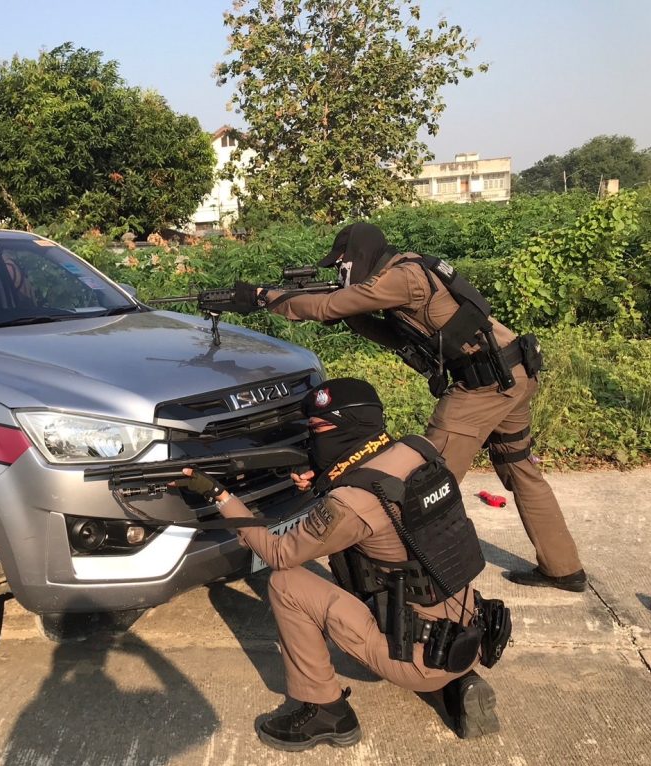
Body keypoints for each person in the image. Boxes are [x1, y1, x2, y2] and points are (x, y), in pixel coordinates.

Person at [234, 222, 586, 592]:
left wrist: (263, 297)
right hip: (513, 374)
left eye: (341, 265)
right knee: (519, 467)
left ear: (359, 257)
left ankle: (409, 582)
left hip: (485, 384)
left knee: (424, 479)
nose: (340, 274)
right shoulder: (407, 269)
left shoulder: (402, 278)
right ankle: (563, 568)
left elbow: (327, 306)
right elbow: (392, 336)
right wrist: (351, 317)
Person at [175, 378, 510, 751]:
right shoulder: (418, 450)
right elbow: (367, 488)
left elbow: (278, 553)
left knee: (286, 584)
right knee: (390, 570)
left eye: (318, 429)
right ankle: (456, 680)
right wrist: (326, 479)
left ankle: (326, 710)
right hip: (467, 631)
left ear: (349, 425)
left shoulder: (353, 501)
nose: (313, 439)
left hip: (414, 656)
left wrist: (220, 496)